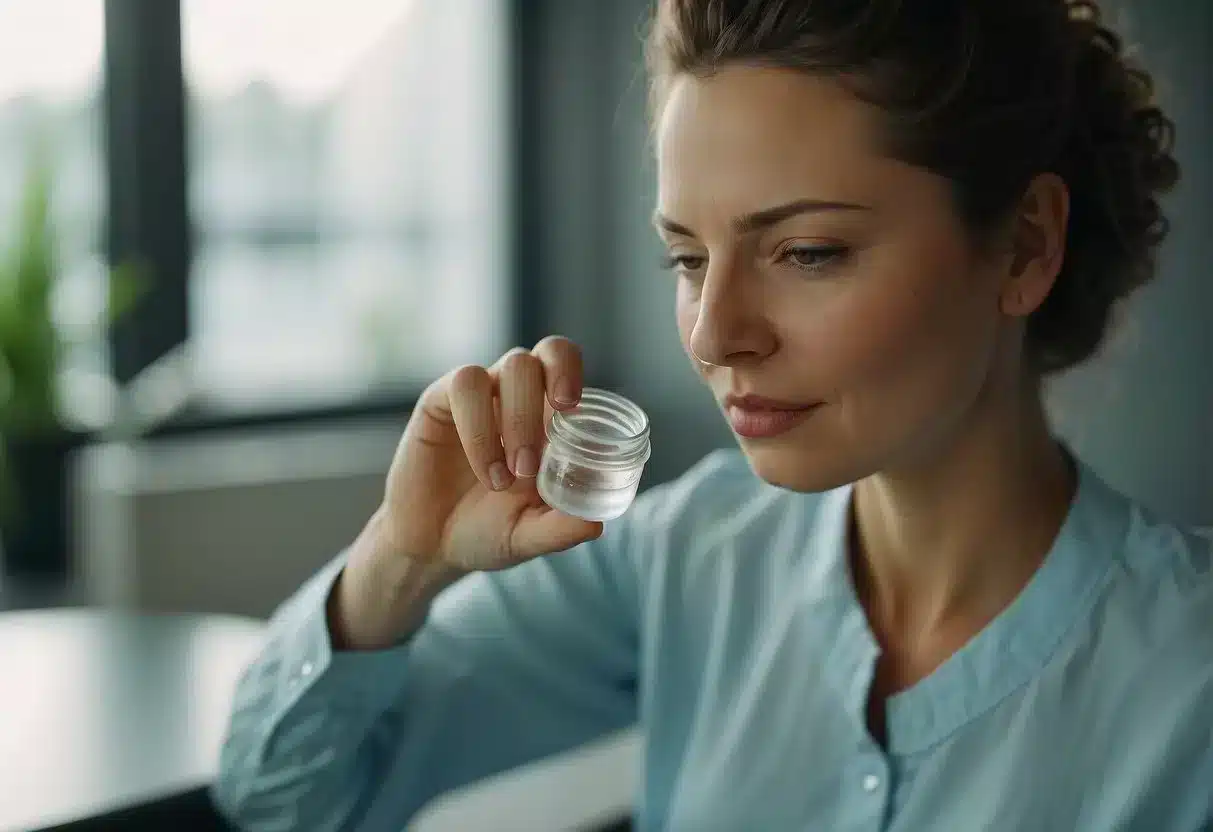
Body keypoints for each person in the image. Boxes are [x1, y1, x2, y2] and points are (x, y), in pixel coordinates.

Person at [212, 0, 1212, 829]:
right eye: (687, 259)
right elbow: (285, 797)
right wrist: (402, 555)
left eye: (806, 250)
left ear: (1024, 246)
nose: (714, 334)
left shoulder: (1187, 682)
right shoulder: (683, 555)